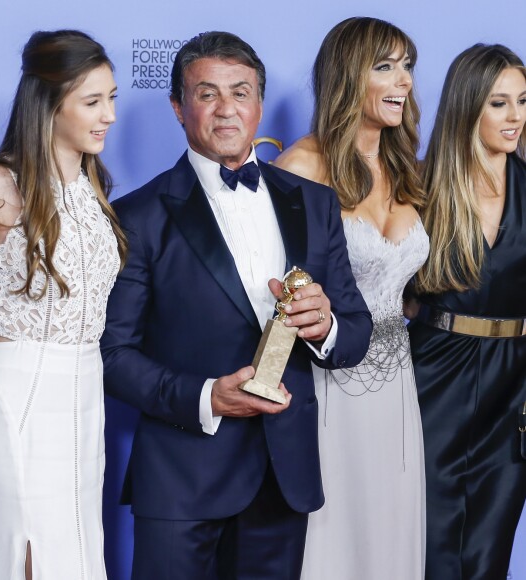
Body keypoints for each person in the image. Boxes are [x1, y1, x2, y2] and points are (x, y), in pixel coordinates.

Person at [101, 30, 372, 579]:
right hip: (181, 481)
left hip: (282, 478)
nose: (226, 109)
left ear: (260, 105)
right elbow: (113, 355)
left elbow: (357, 332)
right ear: (178, 107)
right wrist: (206, 398)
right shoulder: (136, 215)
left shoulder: (314, 204)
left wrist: (326, 328)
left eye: (241, 92)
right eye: (207, 94)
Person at [0, 30, 127, 579]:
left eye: (113, 98)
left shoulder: (96, 184)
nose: (109, 116)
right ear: (50, 105)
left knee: (74, 559)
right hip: (14, 404)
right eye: (92, 102)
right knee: (22, 560)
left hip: (83, 400)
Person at [275, 17, 428, 579]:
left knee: (391, 528)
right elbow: (271, 297)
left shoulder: (406, 166)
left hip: (396, 381)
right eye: (384, 66)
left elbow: (406, 290)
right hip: (327, 385)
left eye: (407, 65)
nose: (403, 80)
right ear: (347, 76)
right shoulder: (301, 167)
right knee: (334, 535)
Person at [409, 43, 526, 579]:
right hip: (434, 370)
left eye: (522, 102)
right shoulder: (422, 186)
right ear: (467, 106)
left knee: (489, 547)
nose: (515, 117)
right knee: (427, 539)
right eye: (499, 103)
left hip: (515, 382)